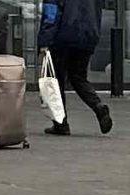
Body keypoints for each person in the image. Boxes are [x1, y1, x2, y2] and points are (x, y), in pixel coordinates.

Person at [37, 0, 110, 134]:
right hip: (88, 36)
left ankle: (60, 123)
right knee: (78, 77)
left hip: (63, 36)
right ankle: (98, 106)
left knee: (55, 80)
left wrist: (44, 41)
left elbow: (51, 14)